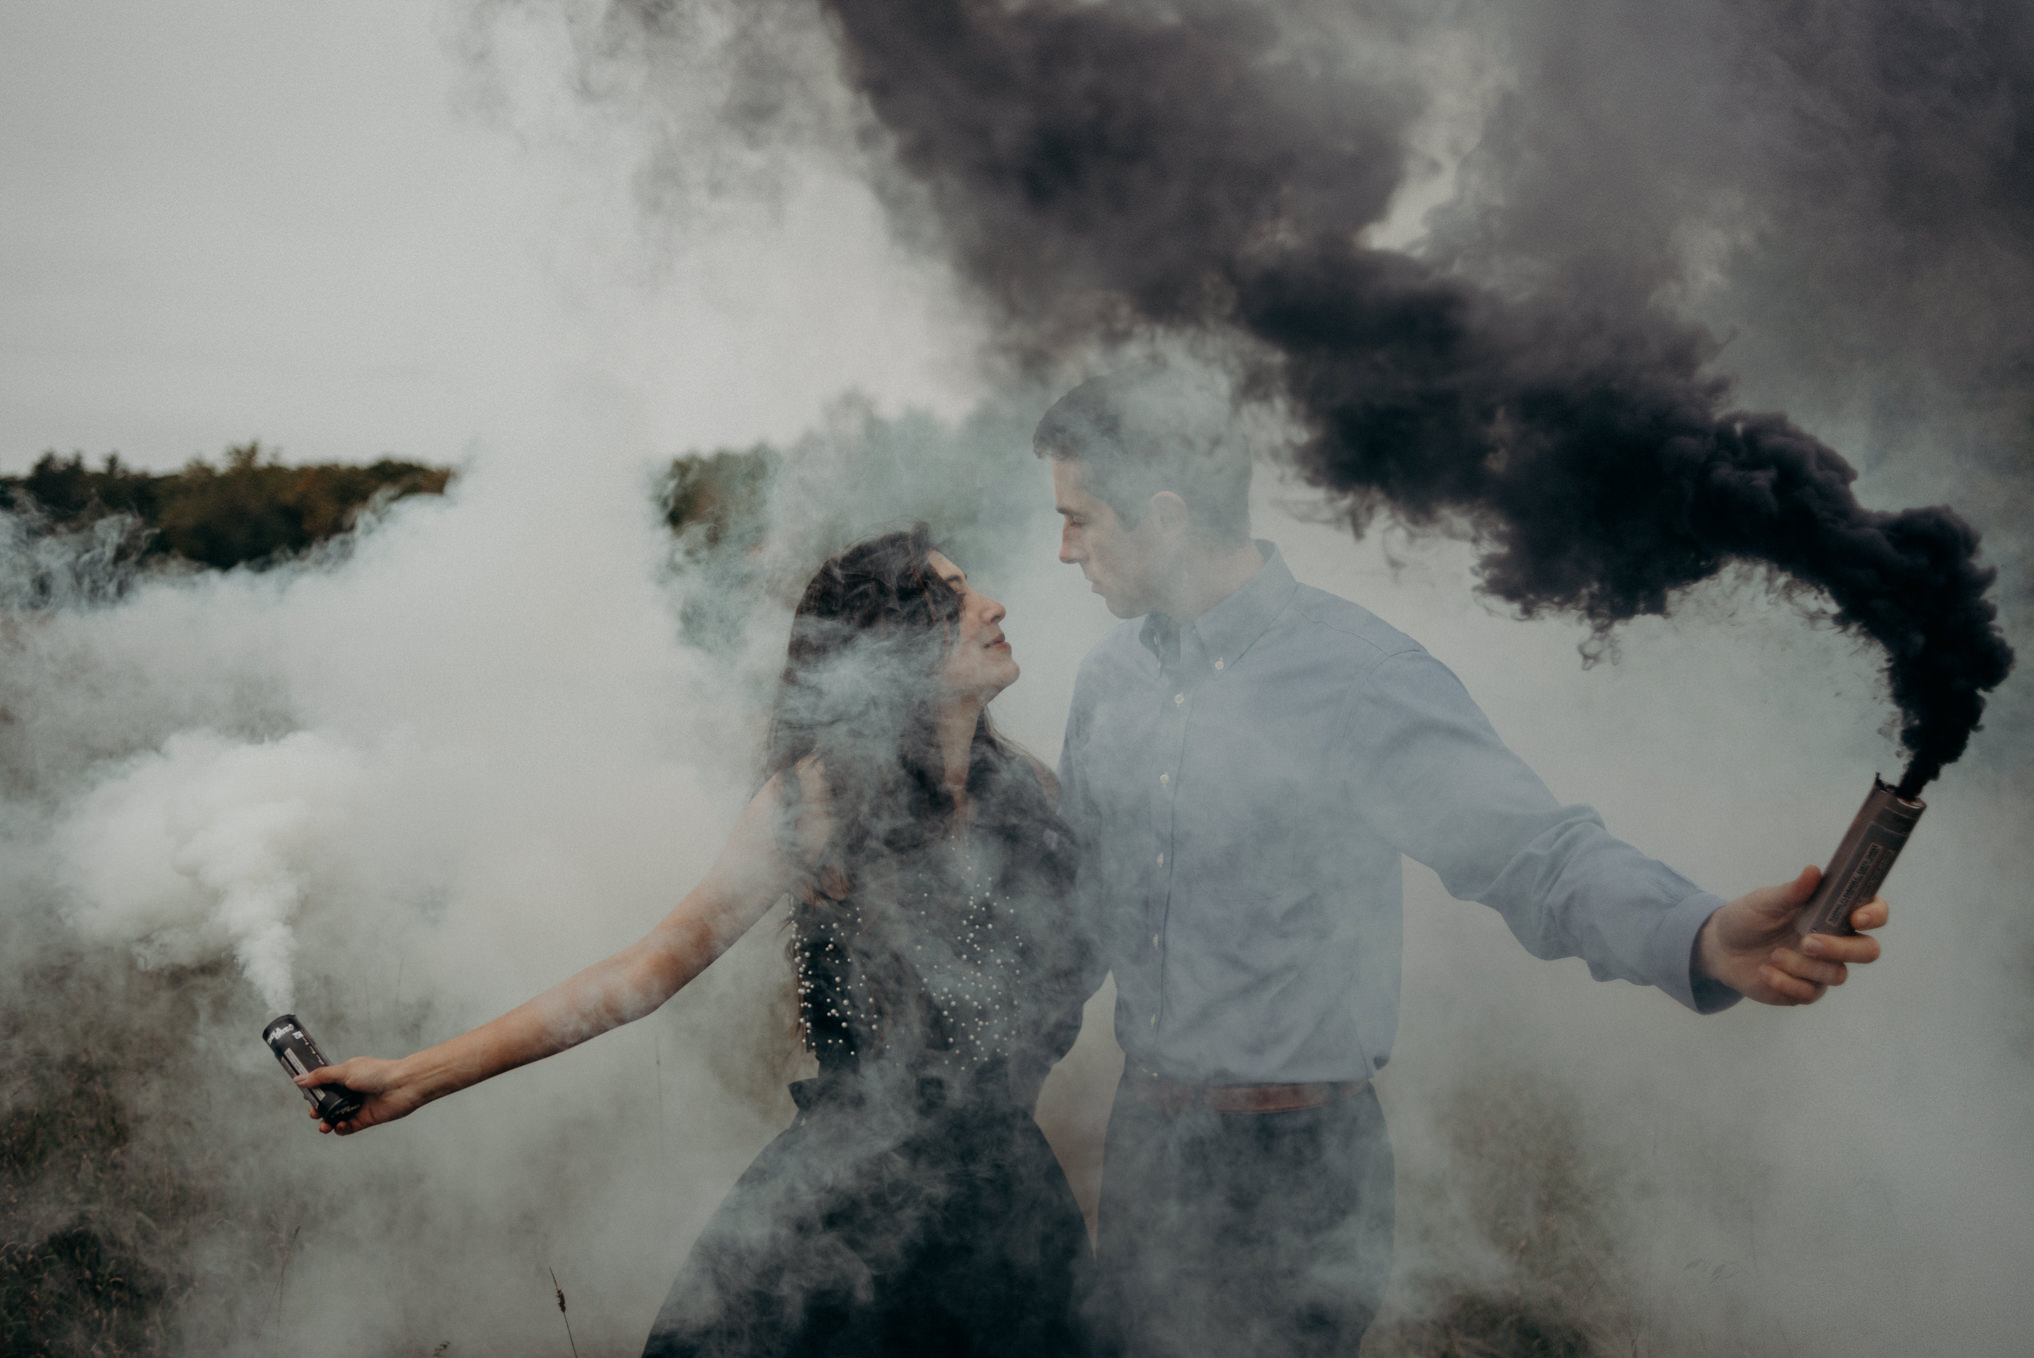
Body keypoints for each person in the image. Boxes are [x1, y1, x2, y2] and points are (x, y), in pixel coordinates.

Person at [1034, 364, 1892, 1358]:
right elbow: (1081, 907)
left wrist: (1696, 933)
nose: (1063, 550)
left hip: (1293, 1165)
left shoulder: (1362, 679)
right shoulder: (1111, 678)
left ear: (1166, 514)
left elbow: (1534, 851)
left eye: (1080, 518)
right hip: (1149, 1145)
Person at [295, 526, 1100, 1358]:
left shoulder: (1033, 795)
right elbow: (643, 973)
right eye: (952, 599)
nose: (992, 605)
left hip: (1010, 1210)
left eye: (973, 588)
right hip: (849, 1205)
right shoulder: (815, 803)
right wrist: (414, 1078)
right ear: (886, 648)